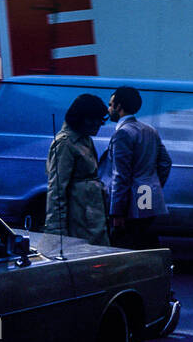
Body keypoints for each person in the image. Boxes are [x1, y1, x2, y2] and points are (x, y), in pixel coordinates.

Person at [101, 86, 172, 249]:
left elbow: (120, 175)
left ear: (119, 106)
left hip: (131, 201)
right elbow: (165, 163)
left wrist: (116, 212)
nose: (109, 109)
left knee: (127, 242)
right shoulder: (150, 130)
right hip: (147, 194)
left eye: (111, 104)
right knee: (143, 235)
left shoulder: (123, 133)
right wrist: (154, 184)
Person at [45, 93, 111, 244]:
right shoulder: (65, 143)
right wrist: (56, 232)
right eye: (92, 120)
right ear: (80, 118)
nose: (98, 124)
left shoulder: (85, 139)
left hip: (92, 216)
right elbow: (56, 189)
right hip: (80, 219)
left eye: (99, 120)